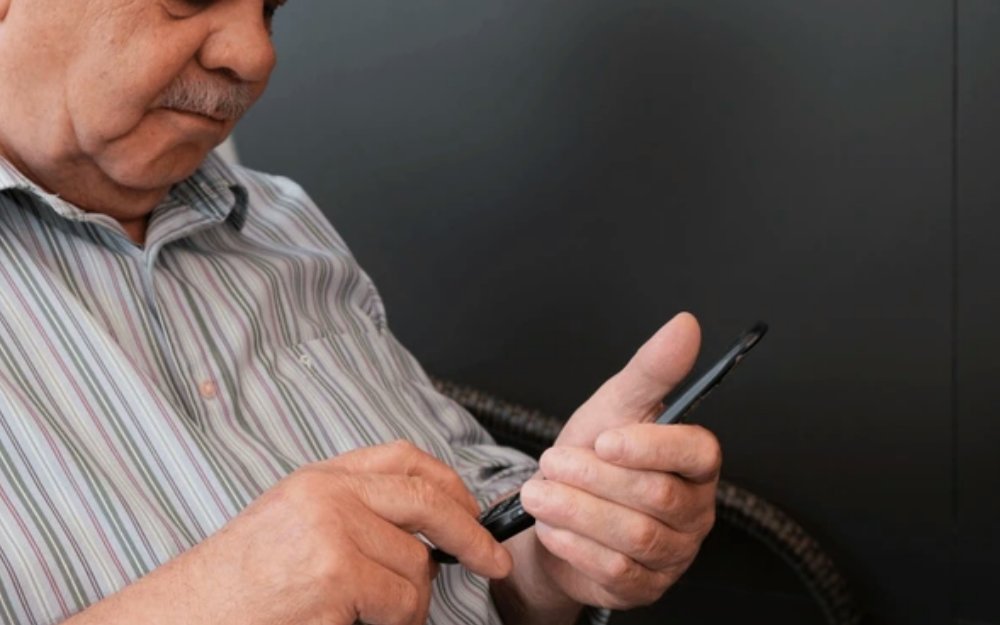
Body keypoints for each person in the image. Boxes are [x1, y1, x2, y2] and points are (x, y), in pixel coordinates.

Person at [0, 1, 722, 624]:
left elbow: (476, 549)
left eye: (270, 10)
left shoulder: (281, 225)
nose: (255, 53)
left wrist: (555, 553)